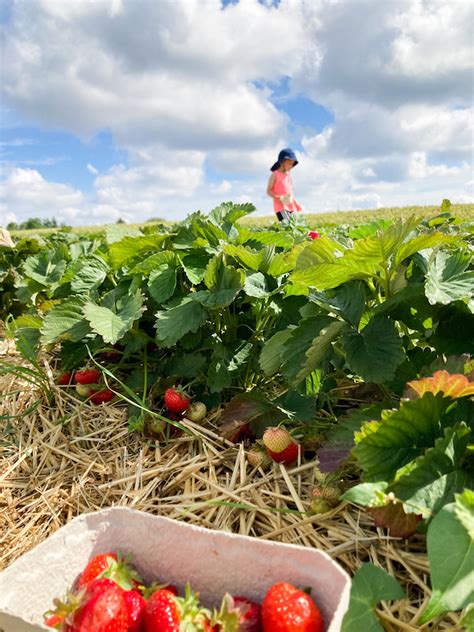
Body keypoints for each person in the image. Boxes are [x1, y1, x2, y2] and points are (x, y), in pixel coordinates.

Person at [266, 148, 302, 222]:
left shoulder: (288, 175)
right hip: (281, 207)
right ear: (282, 162)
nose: (291, 166)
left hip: (290, 204)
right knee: (287, 224)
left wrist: (293, 199)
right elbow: (269, 190)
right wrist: (279, 197)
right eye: (289, 163)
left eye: (292, 164)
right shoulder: (275, 174)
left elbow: (290, 190)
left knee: (295, 224)